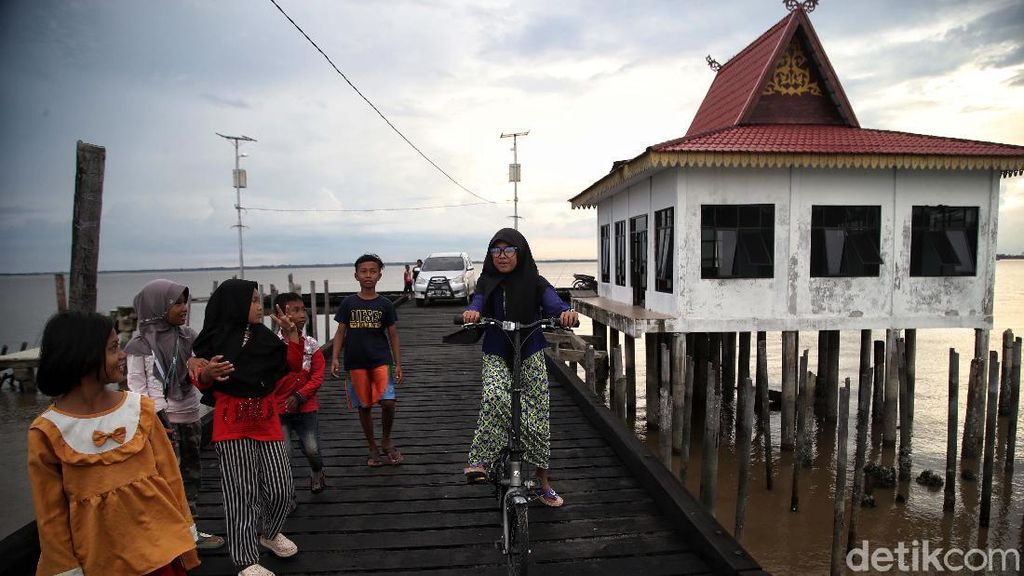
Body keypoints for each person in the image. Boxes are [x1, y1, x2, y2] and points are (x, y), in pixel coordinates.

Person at [28, 310, 200, 575]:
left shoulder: (140, 409)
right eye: (113, 349)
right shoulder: (48, 431)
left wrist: (185, 531)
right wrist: (64, 564)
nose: (122, 356)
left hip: (159, 546)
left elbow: (170, 477)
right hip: (99, 557)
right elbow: (51, 513)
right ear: (82, 356)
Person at [192, 279, 304, 576]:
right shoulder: (212, 340)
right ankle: (245, 559)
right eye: (254, 301)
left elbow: (291, 365)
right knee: (241, 493)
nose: (260, 306)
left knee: (282, 489)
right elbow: (199, 378)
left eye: (259, 300)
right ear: (235, 304)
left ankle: (268, 532)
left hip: (266, 420)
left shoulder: (265, 338)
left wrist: (291, 335)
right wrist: (207, 373)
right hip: (231, 425)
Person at [461, 228, 577, 507]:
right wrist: (473, 312)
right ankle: (483, 459)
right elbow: (478, 301)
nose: (502, 256)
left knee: (540, 415)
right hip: (496, 351)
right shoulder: (486, 282)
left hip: (530, 350)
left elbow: (553, 302)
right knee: (494, 395)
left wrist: (563, 313)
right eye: (496, 250)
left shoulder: (535, 281)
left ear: (520, 253)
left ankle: (541, 483)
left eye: (508, 250)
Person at [125, 279, 226, 551]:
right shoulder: (140, 344)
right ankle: (166, 533)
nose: (184, 308)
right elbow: (136, 387)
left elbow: (201, 368)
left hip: (190, 415)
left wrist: (202, 364)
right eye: (177, 303)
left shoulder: (188, 336)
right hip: (160, 422)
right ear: (158, 306)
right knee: (164, 480)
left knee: (192, 475)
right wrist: (157, 418)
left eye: (185, 302)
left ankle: (189, 528)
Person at [331, 254, 405, 467]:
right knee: (364, 405)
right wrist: (334, 357)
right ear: (356, 275)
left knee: (388, 402)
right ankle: (372, 446)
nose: (368, 275)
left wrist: (398, 363)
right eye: (363, 271)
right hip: (355, 362)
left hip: (381, 360)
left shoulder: (385, 304)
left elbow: (393, 335)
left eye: (373, 271)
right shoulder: (348, 303)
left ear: (379, 275)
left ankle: (386, 440)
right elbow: (340, 332)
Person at [273, 292, 327, 494]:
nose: (302, 314)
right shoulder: (273, 345)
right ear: (280, 315)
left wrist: (300, 395)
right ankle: (288, 492)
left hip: (306, 407)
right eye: (295, 310)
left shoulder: (312, 345)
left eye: (303, 309)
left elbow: (317, 376)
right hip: (279, 409)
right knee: (284, 453)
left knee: (312, 449)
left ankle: (317, 470)